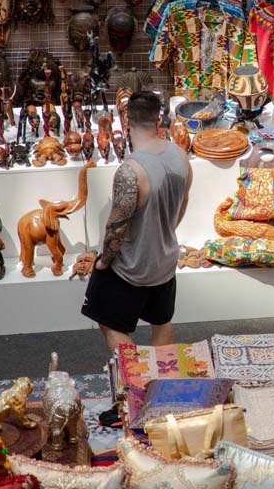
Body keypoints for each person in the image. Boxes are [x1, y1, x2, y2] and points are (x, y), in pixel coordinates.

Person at [81, 91, 193, 356]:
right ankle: (163, 385)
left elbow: (116, 227)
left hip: (131, 266)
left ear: (127, 122)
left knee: (111, 324)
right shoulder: (181, 156)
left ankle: (132, 386)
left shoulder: (130, 171)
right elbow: (183, 204)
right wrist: (164, 233)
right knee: (161, 322)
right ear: (158, 121)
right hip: (165, 261)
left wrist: (104, 261)